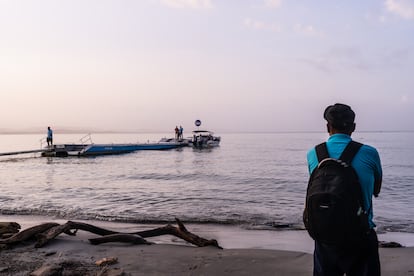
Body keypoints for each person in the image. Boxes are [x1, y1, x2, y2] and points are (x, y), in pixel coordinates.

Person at [306, 103, 382, 276]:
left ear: (328, 127)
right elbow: (376, 190)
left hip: (325, 236)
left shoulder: (313, 154)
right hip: (360, 235)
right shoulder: (370, 153)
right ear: (353, 127)